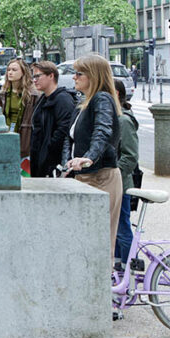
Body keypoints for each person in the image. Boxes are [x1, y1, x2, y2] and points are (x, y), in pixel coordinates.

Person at [62, 54, 122, 261]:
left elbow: (102, 132)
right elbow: (69, 139)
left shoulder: (102, 98)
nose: (74, 78)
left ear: (93, 76)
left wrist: (88, 158)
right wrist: (65, 165)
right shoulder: (83, 103)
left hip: (100, 176)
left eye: (79, 73)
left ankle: (102, 290)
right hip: (84, 176)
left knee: (100, 242)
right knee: (83, 240)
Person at [28, 61, 76, 178]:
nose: (35, 80)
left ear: (51, 76)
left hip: (52, 162)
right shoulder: (43, 98)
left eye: (38, 76)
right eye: (33, 77)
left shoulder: (62, 99)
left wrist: (48, 150)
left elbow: (64, 131)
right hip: (39, 158)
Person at [114, 79, 139, 266]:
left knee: (122, 227)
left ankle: (127, 267)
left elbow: (130, 156)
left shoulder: (123, 120)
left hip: (120, 184)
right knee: (115, 227)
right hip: (114, 182)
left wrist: (115, 176)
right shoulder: (115, 117)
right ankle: (118, 266)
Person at [0, 58, 38, 161]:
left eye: (14, 70)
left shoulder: (32, 94)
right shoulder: (3, 94)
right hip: (6, 139)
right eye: (8, 70)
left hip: (24, 141)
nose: (10, 73)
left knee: (23, 174)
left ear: (23, 72)